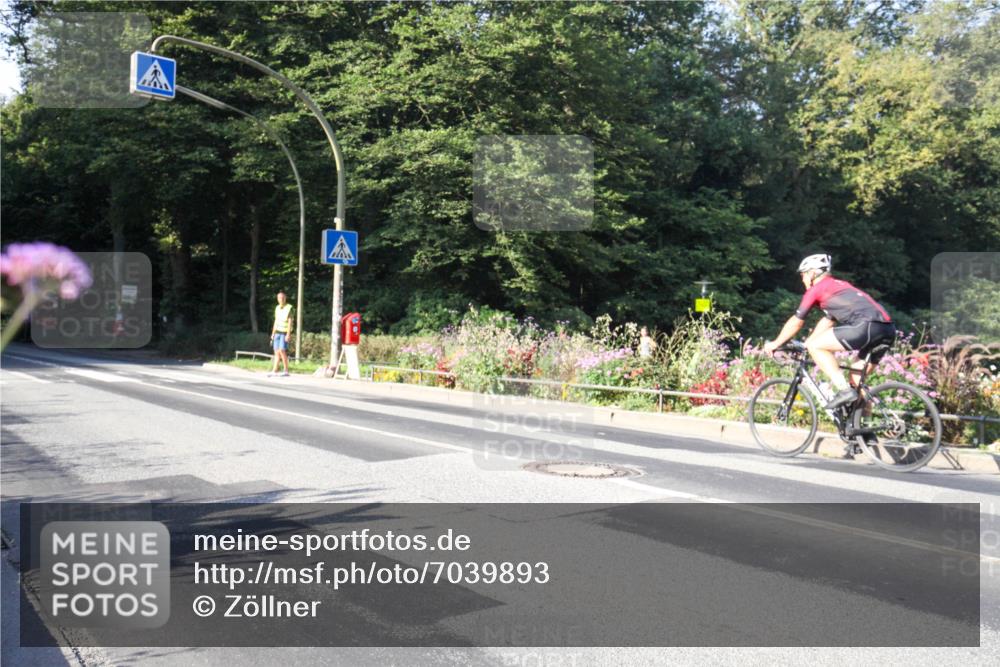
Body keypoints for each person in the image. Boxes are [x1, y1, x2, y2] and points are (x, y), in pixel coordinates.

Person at [763, 254, 896, 410]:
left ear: (812, 273)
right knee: (856, 382)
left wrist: (775, 344)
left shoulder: (817, 289)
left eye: (803, 275)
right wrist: (807, 344)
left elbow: (797, 321)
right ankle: (863, 430)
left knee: (818, 349)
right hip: (888, 330)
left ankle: (844, 390)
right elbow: (828, 320)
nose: (802, 279)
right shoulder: (840, 286)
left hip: (866, 326)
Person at [269, 291, 294, 377]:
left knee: (282, 350)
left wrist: (288, 334)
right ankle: (275, 370)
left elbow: (290, 322)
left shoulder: (289, 308)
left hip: (284, 332)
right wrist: (273, 333)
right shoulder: (277, 308)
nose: (281, 300)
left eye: (283, 298)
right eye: (279, 298)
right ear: (277, 299)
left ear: (285, 298)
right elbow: (276, 321)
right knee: (276, 351)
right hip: (277, 332)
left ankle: (286, 370)